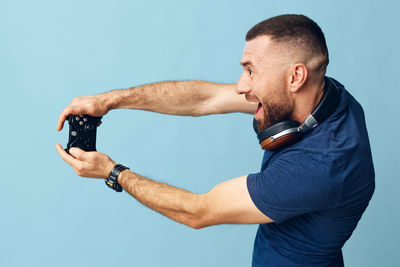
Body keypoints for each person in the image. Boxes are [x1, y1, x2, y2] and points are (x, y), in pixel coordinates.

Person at [56, 14, 375, 266]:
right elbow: (206, 99)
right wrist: (109, 100)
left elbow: (198, 212)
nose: (240, 86)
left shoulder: (321, 167)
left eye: (251, 71)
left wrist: (112, 172)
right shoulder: (323, 96)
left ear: (295, 77)